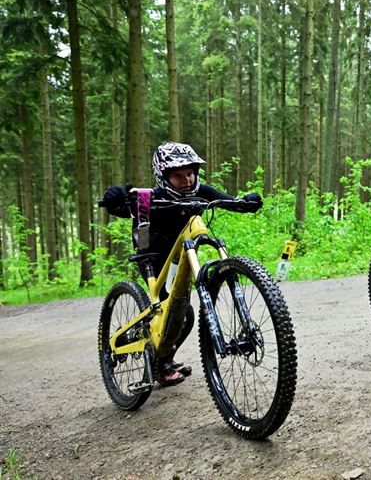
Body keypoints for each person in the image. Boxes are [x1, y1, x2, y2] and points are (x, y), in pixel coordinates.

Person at [99, 141, 262, 386]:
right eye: (178, 176)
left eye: (190, 173)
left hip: (180, 256)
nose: (186, 180)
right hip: (153, 258)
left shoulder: (201, 191)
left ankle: (163, 358)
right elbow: (122, 208)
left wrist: (245, 203)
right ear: (164, 177)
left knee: (185, 315)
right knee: (178, 313)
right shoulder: (150, 197)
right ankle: (161, 364)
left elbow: (227, 201)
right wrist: (116, 199)